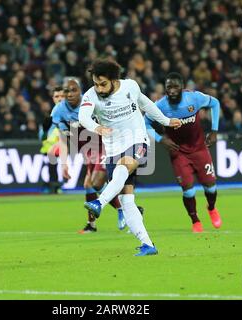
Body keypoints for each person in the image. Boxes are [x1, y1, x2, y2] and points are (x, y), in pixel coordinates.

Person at [79, 59, 181, 256]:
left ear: (114, 80)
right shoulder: (91, 95)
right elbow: (83, 117)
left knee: (124, 165)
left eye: (103, 84)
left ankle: (99, 202)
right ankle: (148, 244)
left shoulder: (130, 86)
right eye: (95, 84)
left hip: (136, 141)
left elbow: (145, 103)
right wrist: (96, 127)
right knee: (127, 200)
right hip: (111, 149)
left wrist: (166, 121)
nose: (99, 88)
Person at [145, 72, 222, 233]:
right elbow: (145, 124)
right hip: (178, 152)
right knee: (188, 189)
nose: (172, 91)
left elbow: (215, 103)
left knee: (210, 187)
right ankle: (195, 221)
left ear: (182, 87)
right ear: (165, 89)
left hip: (199, 149)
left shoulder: (194, 98)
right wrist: (161, 139)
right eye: (168, 88)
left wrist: (214, 131)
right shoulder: (160, 106)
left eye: (175, 87)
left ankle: (212, 208)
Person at [51, 77, 127, 233]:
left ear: (81, 91)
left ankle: (123, 209)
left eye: (74, 90)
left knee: (96, 184)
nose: (70, 94)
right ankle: (92, 224)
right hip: (88, 151)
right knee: (88, 185)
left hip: (104, 146)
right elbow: (64, 138)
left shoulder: (91, 102)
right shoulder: (59, 110)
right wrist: (64, 163)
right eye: (66, 91)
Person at [39, 86, 65, 194]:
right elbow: (42, 134)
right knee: (52, 165)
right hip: (54, 148)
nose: (59, 99)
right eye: (57, 96)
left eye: (62, 96)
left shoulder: (74, 112)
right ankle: (54, 186)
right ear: (53, 98)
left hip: (70, 145)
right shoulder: (49, 116)